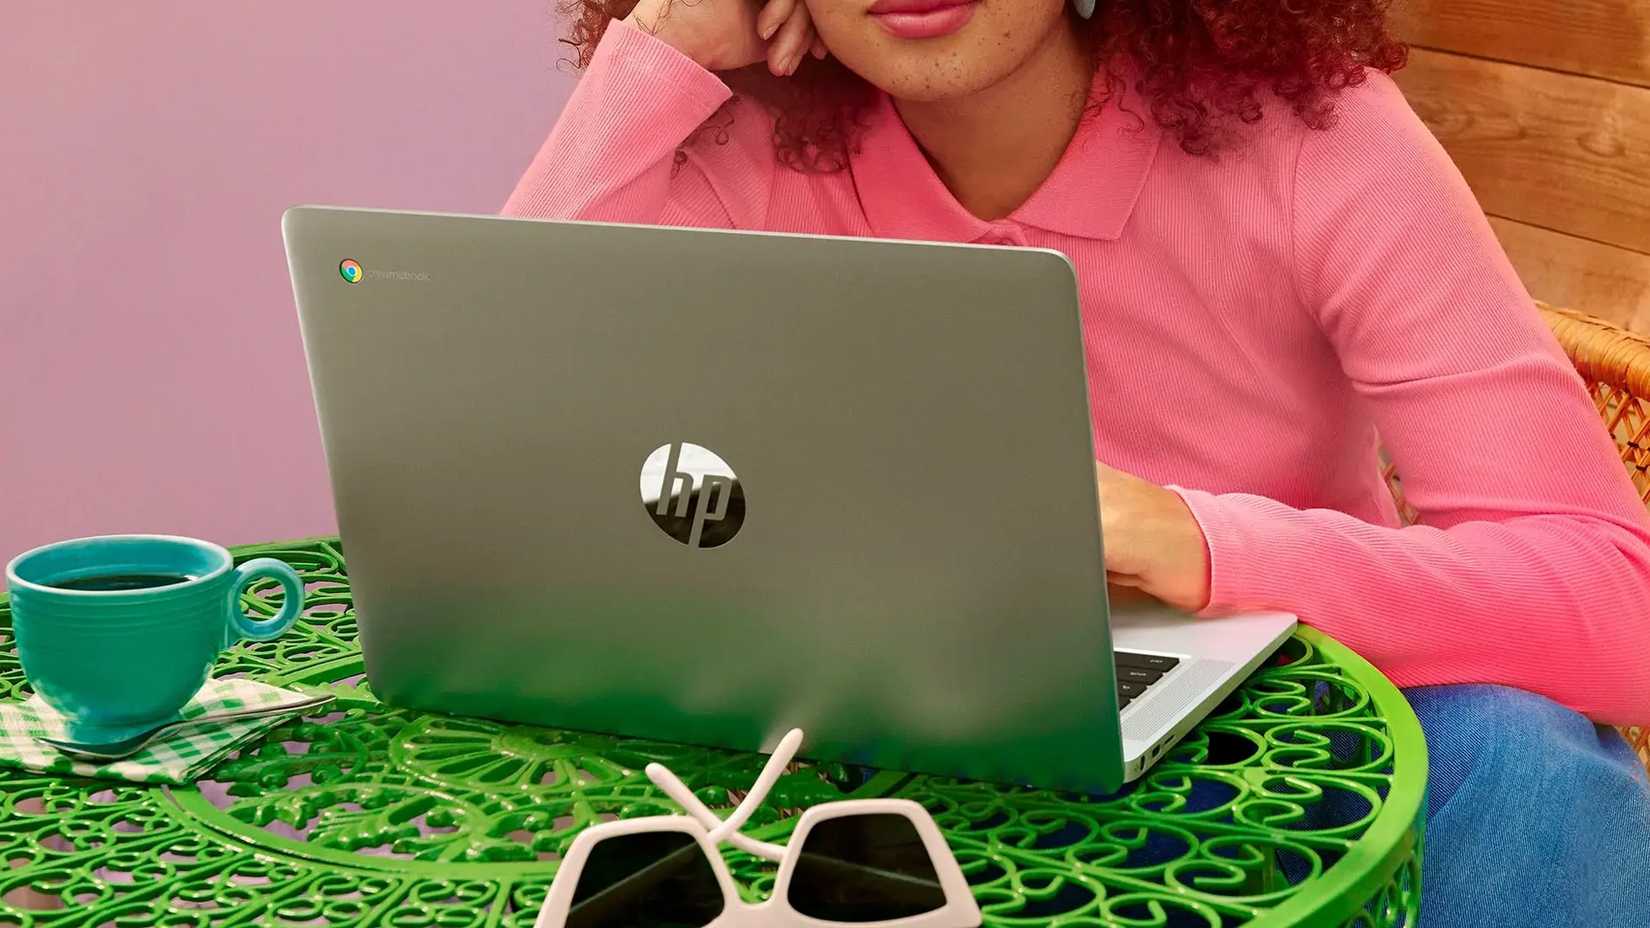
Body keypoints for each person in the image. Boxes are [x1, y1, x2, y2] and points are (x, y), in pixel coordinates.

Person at [502, 0, 1650, 922]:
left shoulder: (1317, 136)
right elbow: (503, 455)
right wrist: (654, 55)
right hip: (885, 759)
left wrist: (1201, 543)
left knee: (1521, 764)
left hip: (1289, 742)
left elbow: (1615, 593)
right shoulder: (745, 138)